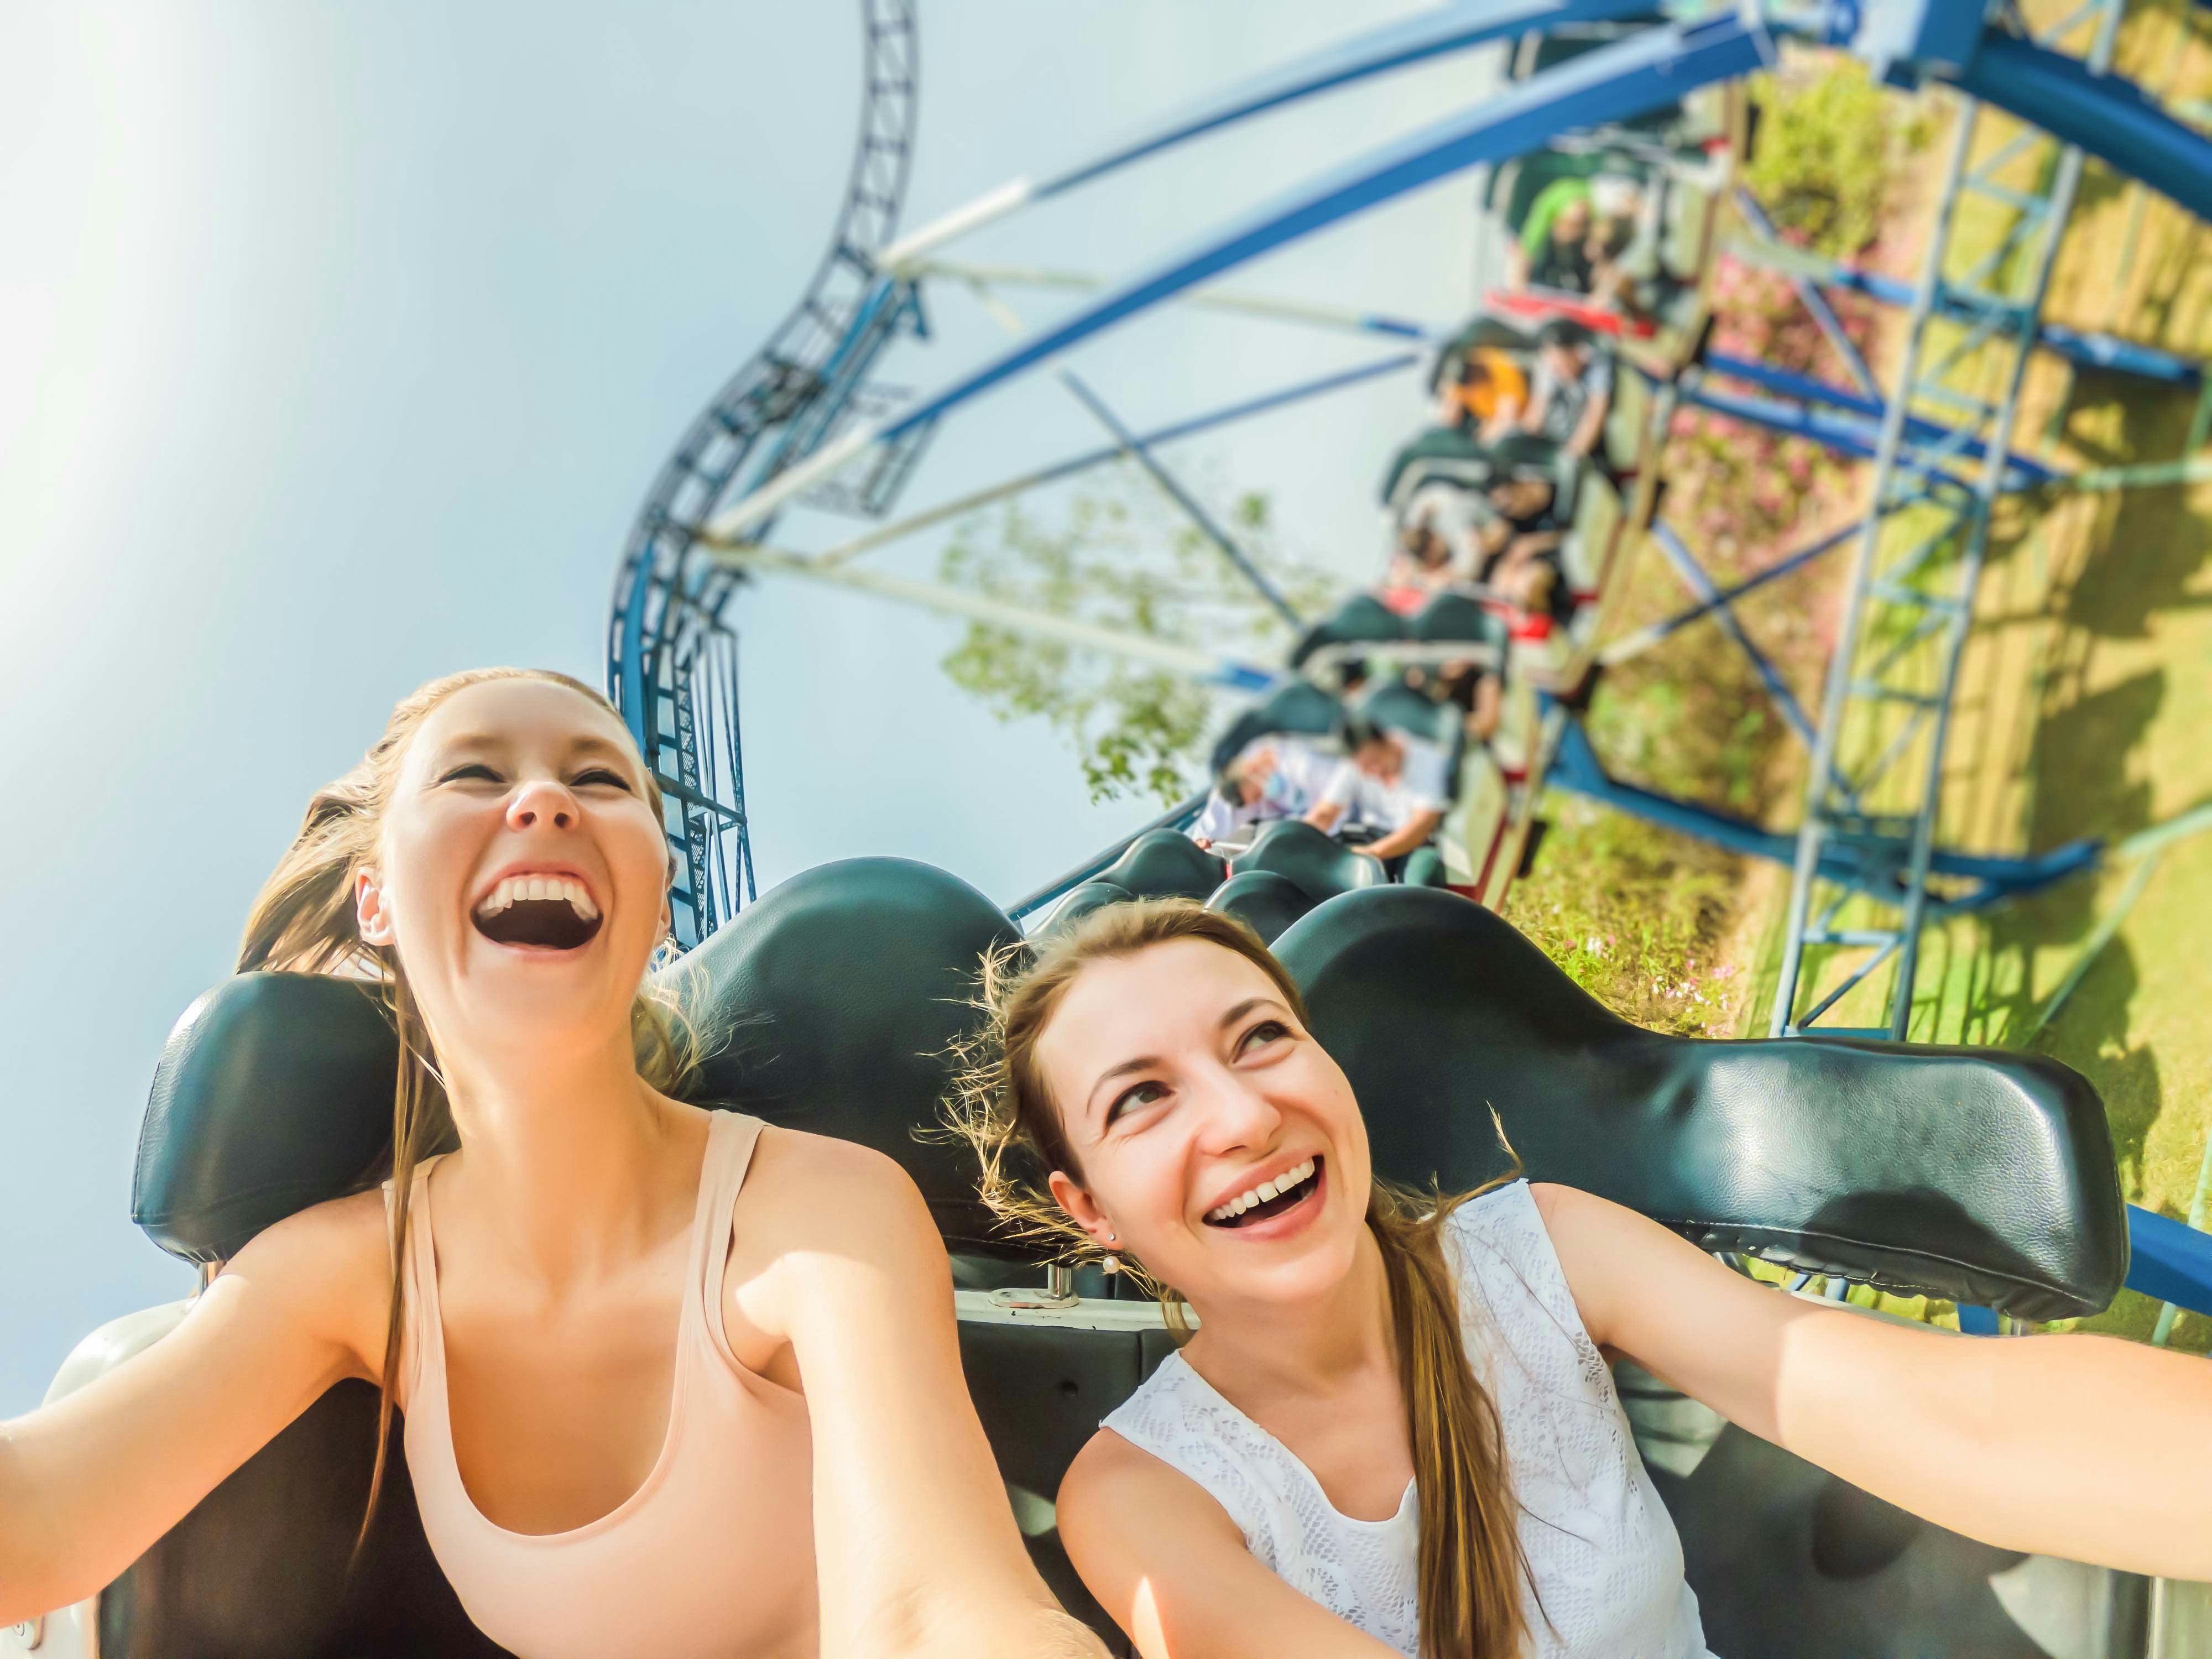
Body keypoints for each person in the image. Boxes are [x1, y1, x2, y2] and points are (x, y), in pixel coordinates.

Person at [0, 667, 1107, 1659]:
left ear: (659, 901)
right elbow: (43, 1511)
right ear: (375, 898)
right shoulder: (343, 1272)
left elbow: (938, 1607)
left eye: (601, 781)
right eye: (475, 775)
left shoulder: (814, 1210)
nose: (545, 800)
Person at [950, 902, 2212, 1659]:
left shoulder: (1539, 1249)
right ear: (1089, 1209)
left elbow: (1948, 1414)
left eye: (1261, 1036)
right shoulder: (1138, 1496)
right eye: (1142, 1097)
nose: (1240, 1113)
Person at [1305, 718, 1451, 868]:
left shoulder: (1429, 760)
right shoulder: (1354, 762)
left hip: (1413, 844)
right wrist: (1297, 841)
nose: (1372, 772)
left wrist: (1371, 853)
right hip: (1370, 836)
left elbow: (1422, 825)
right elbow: (1324, 813)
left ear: (1387, 742)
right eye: (1362, 767)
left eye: (1374, 761)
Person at [1189, 737, 1351, 851]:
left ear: (1252, 769)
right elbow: (1227, 802)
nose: (1260, 799)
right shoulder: (1257, 785)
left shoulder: (1303, 763)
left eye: (1257, 795)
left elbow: (1334, 805)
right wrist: (1204, 836)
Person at [1522, 317, 1613, 462]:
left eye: (1565, 364)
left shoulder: (1598, 362)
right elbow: (1537, 412)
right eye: (1556, 367)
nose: (1561, 371)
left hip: (1593, 440)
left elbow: (1595, 415)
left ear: (1580, 353)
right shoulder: (1546, 365)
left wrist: (1570, 458)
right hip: (1557, 432)